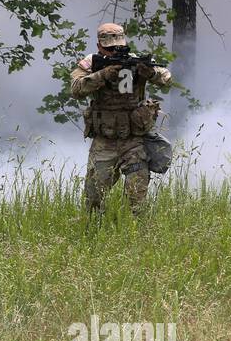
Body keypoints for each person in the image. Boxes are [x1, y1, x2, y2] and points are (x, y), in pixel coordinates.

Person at [68, 23, 172, 215]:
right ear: (99, 45)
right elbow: (75, 89)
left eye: (118, 47)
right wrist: (102, 75)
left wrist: (150, 73)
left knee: (136, 197)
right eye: (109, 48)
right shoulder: (91, 63)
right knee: (94, 198)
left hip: (134, 141)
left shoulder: (136, 61)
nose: (114, 51)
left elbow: (166, 77)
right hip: (104, 142)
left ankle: (138, 237)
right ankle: (94, 236)